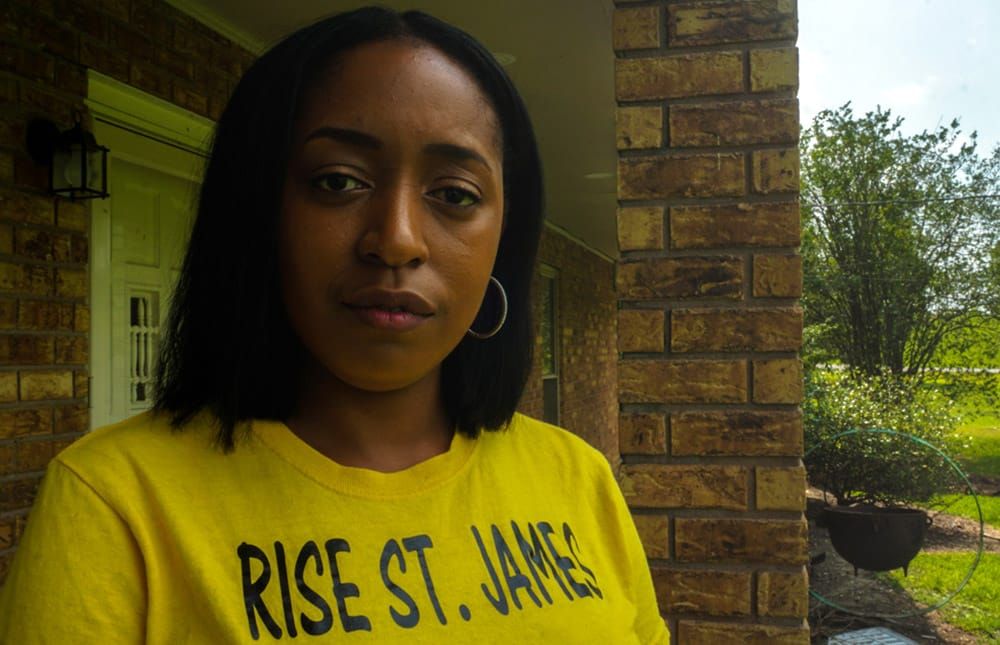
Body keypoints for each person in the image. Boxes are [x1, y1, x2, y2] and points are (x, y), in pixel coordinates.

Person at [0, 7, 670, 643]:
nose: (397, 239)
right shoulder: (115, 502)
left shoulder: (578, 478)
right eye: (338, 182)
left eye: (454, 194)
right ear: (258, 210)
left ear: (504, 236)